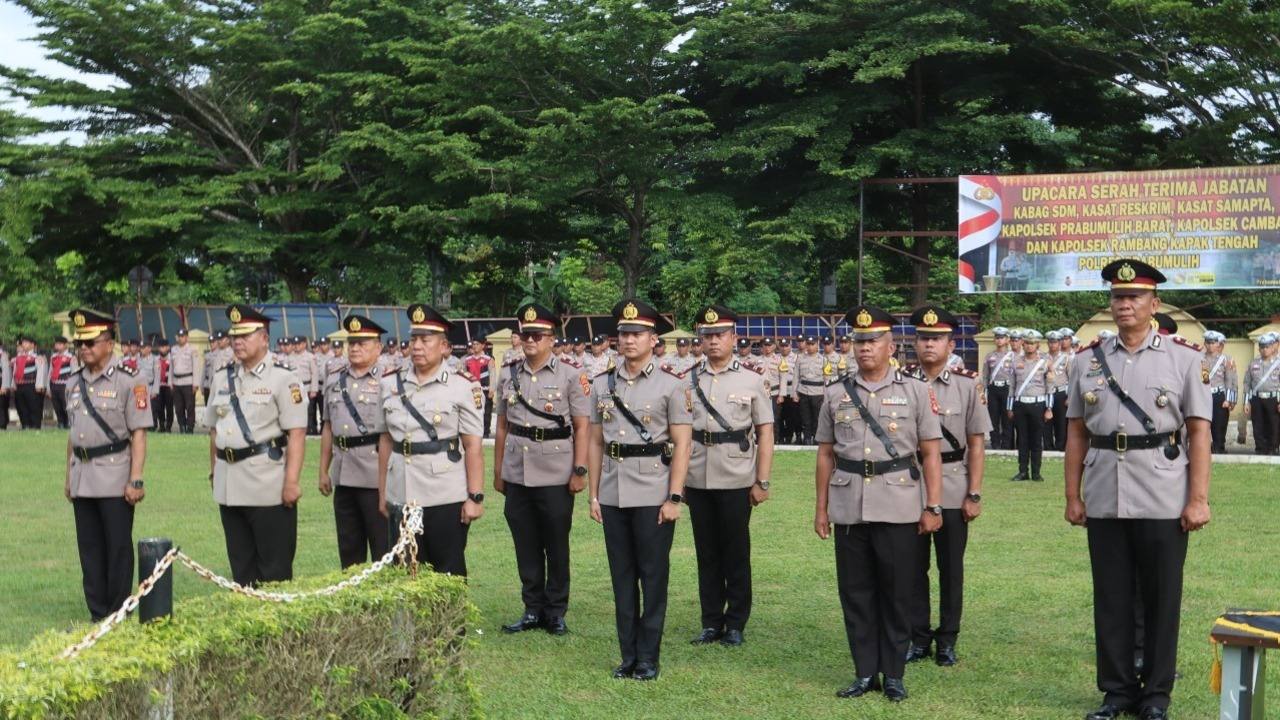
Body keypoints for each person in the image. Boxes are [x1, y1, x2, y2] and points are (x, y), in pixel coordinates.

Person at [1065, 258, 1211, 720]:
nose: (1124, 304)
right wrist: (1073, 494)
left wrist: (1198, 498)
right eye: (1117, 296)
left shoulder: (1184, 358)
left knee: (1162, 597)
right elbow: (1075, 433)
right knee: (1110, 597)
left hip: (1163, 492)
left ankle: (1155, 696)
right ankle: (1117, 692)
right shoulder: (1086, 361)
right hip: (1106, 489)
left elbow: (1199, 433)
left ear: (1154, 303)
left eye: (1134, 297)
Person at [815, 304, 943, 703]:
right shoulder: (836, 393)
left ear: (891, 345)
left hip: (898, 503)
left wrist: (933, 505)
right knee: (855, 592)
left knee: (896, 591)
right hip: (850, 503)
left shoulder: (915, 391)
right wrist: (821, 508)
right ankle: (864, 671)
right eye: (859, 341)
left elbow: (931, 453)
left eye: (873, 341)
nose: (865, 348)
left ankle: (895, 674)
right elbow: (824, 453)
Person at [587, 298, 692, 681]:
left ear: (653, 339)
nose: (628, 340)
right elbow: (596, 442)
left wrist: (674, 497)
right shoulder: (601, 384)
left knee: (653, 577)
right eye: (623, 334)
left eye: (636, 334)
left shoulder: (673, 386)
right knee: (621, 578)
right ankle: (627, 654)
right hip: (614, 493)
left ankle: (649, 656)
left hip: (653, 494)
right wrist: (593, 494)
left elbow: (683, 444)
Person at [493, 303, 590, 636]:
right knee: (525, 541)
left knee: (555, 543)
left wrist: (579, 470)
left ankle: (556, 610)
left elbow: (582, 426)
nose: (529, 340)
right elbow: (502, 426)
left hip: (555, 470)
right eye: (525, 334)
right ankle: (532, 608)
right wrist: (498, 472)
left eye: (537, 334)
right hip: (517, 471)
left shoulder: (571, 375)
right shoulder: (508, 374)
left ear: (552, 338)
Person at [903, 306, 990, 667]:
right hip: (910, 486)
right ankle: (918, 637)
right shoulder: (902, 383)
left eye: (936, 338)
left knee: (951, 568)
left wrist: (974, 493)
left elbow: (976, 444)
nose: (929, 345)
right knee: (912, 568)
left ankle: (948, 639)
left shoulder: (967, 385)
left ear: (950, 343)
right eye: (923, 338)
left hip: (954, 486)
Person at [685, 305, 774, 648]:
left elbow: (765, 432)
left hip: (737, 477)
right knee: (706, 552)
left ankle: (736, 621)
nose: (713, 341)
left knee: (735, 551)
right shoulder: (688, 379)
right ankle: (711, 621)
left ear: (733, 338)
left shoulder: (752, 380)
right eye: (707, 336)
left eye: (720, 334)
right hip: (697, 476)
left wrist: (762, 480)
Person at [378, 304, 486, 576]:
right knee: (405, 570)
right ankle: (410, 622)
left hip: (444, 494)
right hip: (401, 491)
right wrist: (383, 493)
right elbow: (386, 441)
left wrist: (474, 497)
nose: (417, 346)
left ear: (444, 346)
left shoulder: (463, 385)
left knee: (447, 571)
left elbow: (473, 446)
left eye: (426, 340)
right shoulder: (390, 383)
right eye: (414, 338)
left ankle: (451, 621)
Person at [205, 305, 308, 586]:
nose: (237, 342)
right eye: (234, 336)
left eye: (245, 336)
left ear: (264, 338)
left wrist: (292, 482)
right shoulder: (222, 377)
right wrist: (214, 470)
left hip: (267, 485)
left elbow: (297, 433)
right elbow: (214, 430)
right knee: (242, 569)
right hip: (229, 484)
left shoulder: (284, 378)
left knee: (274, 570)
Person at [63, 309, 152, 620]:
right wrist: (68, 478)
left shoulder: (130, 379)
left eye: (90, 343)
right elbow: (73, 435)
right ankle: (97, 611)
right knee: (89, 549)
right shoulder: (73, 382)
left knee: (116, 547)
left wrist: (136, 479)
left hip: (115, 473)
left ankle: (117, 610)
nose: (83, 349)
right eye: (79, 344)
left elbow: (138, 433)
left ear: (109, 343)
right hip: (82, 474)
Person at [319, 315, 391, 569]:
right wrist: (323, 471)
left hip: (375, 475)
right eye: (352, 343)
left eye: (362, 343)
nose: (355, 348)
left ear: (378, 347)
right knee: (349, 548)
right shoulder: (334, 379)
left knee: (383, 547)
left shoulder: (389, 380)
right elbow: (328, 427)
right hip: (343, 474)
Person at [1007, 330, 1053, 481]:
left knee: (1036, 440)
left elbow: (1050, 387)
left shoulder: (1045, 362)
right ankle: (1022, 471)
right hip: (1020, 405)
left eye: (1032, 343)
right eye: (1026, 343)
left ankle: (1036, 472)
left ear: (1038, 345)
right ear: (1023, 344)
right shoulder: (1015, 361)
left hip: (1038, 404)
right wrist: (1010, 407)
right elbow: (1012, 386)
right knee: (1022, 439)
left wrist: (1049, 408)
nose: (1029, 346)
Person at [1243, 332, 1280, 455]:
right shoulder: (1253, 363)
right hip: (1256, 398)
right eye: (1262, 347)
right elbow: (1247, 383)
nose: (1264, 350)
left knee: (1273, 424)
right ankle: (1260, 448)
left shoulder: (1278, 364)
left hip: (1273, 398)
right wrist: (1246, 402)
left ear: (1272, 347)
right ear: (1259, 348)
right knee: (1257, 424)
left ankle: (1273, 448)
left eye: (1267, 347)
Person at [1201, 331, 1237, 454]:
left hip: (1219, 395)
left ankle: (1219, 447)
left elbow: (1230, 380)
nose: (1210, 345)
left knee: (1220, 423)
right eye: (1208, 342)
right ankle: (1204, 448)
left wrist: (1229, 400)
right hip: (1203, 394)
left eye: (1213, 343)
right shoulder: (1199, 358)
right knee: (1203, 423)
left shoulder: (1226, 359)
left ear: (1219, 344)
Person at [984, 327, 1015, 449]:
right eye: (997, 337)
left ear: (1007, 339)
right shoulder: (989, 356)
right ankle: (995, 443)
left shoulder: (1013, 356)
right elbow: (985, 376)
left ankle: (1006, 444)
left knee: (1007, 417)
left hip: (1007, 388)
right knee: (993, 418)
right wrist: (984, 392)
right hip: (993, 388)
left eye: (1001, 337)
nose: (999, 340)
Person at [12, 336, 48, 429]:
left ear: (32, 345)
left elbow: (41, 372)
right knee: (22, 407)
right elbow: (15, 372)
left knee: (34, 407)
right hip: (20, 385)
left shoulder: (36, 357)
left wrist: (39, 385)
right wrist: (13, 384)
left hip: (32, 385)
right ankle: (25, 425)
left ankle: (35, 426)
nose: (24, 344)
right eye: (23, 342)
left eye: (26, 342)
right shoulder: (18, 358)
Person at [1045, 330, 1072, 451]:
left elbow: (1072, 378)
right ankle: (1047, 446)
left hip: (1061, 393)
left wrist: (1070, 397)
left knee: (1061, 423)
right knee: (1046, 421)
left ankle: (1060, 447)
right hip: (1046, 393)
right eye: (1050, 342)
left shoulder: (1066, 358)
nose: (1052, 345)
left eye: (1055, 342)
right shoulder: (1042, 358)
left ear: (1060, 343)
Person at [796, 335, 826, 445]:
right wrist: (795, 392)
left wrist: (826, 394)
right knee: (805, 417)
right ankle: (807, 438)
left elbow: (826, 378)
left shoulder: (823, 360)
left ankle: (817, 437)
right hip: (804, 391)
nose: (810, 346)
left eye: (812, 344)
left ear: (817, 345)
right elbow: (796, 376)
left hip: (818, 392)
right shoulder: (800, 359)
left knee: (817, 417)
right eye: (808, 344)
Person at [462, 339, 495, 438]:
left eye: (477, 344)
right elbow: (463, 375)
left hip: (485, 389)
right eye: (474, 344)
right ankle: (472, 431)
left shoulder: (488, 359)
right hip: (470, 390)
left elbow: (493, 374)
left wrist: (492, 389)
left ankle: (485, 433)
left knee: (486, 412)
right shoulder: (467, 360)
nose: (475, 346)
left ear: (483, 346)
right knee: (471, 412)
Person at [47, 336, 76, 429]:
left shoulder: (71, 357)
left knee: (66, 405)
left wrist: (72, 386)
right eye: (56, 344)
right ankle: (60, 423)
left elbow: (74, 372)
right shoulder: (53, 357)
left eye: (60, 344)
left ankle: (68, 423)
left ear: (65, 345)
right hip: (55, 384)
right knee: (57, 405)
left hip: (65, 384)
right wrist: (48, 386)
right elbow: (50, 372)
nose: (57, 346)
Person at [152, 338, 173, 432]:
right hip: (158, 386)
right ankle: (161, 426)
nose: (162, 349)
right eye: (160, 347)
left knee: (169, 407)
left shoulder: (172, 358)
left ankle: (168, 426)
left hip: (168, 386)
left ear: (168, 347)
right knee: (159, 407)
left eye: (164, 347)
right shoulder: (155, 359)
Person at [0, 337, 11, 430]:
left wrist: (4, 386)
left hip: (1, 381)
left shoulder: (3, 355)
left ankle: (2, 425)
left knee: (1, 405)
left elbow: (6, 371)